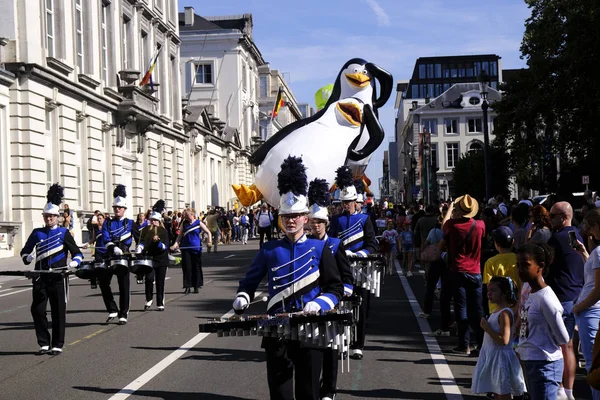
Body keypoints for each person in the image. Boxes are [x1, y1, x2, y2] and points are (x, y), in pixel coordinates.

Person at [231, 156, 343, 400]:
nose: (290, 221)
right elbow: (250, 281)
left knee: (308, 391)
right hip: (276, 329)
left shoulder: (319, 248)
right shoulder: (269, 249)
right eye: (286, 217)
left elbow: (335, 287)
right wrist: (243, 296)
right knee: (280, 393)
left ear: (305, 218)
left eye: (295, 216)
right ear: (280, 219)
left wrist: (321, 303)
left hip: (311, 327)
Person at [20, 184, 83, 355]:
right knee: (38, 310)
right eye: (46, 216)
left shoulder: (64, 233)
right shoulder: (37, 233)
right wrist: (27, 257)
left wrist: (75, 262)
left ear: (57, 217)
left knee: (58, 311)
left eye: (52, 217)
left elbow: (77, 253)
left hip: (58, 277)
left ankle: (57, 343)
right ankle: (43, 343)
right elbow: (25, 251)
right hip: (40, 277)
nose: (49, 219)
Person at [307, 177, 354, 400]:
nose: (315, 225)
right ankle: (314, 389)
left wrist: (346, 288)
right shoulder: (306, 245)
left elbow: (346, 275)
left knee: (330, 348)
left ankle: (329, 390)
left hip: (332, 300)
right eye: (312, 222)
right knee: (311, 349)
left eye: (319, 222)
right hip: (311, 302)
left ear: (326, 224)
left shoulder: (335, 244)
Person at [328, 166, 378, 360]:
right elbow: (330, 242)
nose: (347, 205)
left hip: (362, 270)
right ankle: (345, 341)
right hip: (342, 269)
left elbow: (372, 244)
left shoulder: (365, 219)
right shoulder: (336, 220)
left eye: (349, 201)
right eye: (344, 202)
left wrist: (361, 254)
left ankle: (358, 344)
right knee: (343, 307)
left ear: (356, 202)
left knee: (362, 307)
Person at [516, 243, 570, 400]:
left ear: (540, 266)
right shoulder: (532, 292)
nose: (520, 269)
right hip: (532, 362)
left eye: (525, 265)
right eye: (518, 265)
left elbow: (563, 338)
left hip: (545, 365)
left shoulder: (546, 299)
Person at [547, 202, 585, 400]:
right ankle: (569, 391)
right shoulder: (579, 235)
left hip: (561, 297)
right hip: (578, 294)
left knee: (559, 345)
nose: (549, 219)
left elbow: (546, 266)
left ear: (563, 217)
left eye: (552, 216)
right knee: (570, 346)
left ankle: (561, 388)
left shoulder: (557, 239)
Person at [440, 194, 486, 355]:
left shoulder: (452, 226)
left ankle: (464, 344)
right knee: (478, 309)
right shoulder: (480, 225)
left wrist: (450, 207)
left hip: (458, 270)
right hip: (475, 271)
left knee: (461, 308)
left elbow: (443, 225)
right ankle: (481, 343)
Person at [472, 276, 526, 399]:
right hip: (493, 356)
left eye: (493, 290)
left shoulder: (505, 313)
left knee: (502, 393)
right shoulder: (498, 311)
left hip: (500, 359)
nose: (489, 294)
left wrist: (486, 328)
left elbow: (504, 340)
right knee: (497, 392)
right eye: (488, 290)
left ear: (505, 293)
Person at [572, 208, 600, 400]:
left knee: (593, 364)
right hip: (590, 310)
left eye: (589, 227)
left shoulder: (598, 252)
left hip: (590, 311)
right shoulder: (596, 253)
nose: (588, 231)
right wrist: (584, 253)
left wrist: (578, 308)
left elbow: (597, 290)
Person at [100, 184, 134, 325]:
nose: (117, 210)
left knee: (123, 286)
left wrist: (141, 247)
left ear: (124, 209)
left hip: (124, 256)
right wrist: (113, 247)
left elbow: (140, 237)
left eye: (119, 208)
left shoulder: (130, 223)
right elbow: (106, 237)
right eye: (115, 208)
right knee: (103, 282)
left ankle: (123, 313)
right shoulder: (108, 223)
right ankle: (112, 309)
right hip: (110, 255)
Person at [136, 200, 170, 311]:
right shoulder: (145, 230)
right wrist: (140, 247)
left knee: (160, 281)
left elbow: (165, 247)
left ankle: (160, 302)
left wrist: (158, 243)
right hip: (150, 258)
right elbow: (142, 241)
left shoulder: (163, 232)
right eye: (152, 220)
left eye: (155, 220)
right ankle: (148, 299)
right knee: (149, 279)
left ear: (159, 221)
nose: (153, 222)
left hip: (161, 259)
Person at [171, 208, 212, 294]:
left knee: (196, 267)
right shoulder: (184, 223)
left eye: (187, 214)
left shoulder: (198, 222)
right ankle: (187, 286)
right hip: (185, 248)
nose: (185, 216)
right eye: (184, 215)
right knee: (186, 267)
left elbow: (208, 232)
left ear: (192, 215)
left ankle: (196, 285)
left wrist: (209, 242)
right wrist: (175, 245)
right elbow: (179, 236)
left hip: (196, 249)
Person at [483, 226, 521, 314]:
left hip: (496, 309)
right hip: (516, 307)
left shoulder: (490, 262)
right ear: (513, 242)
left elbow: (488, 286)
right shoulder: (518, 260)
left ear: (496, 244)